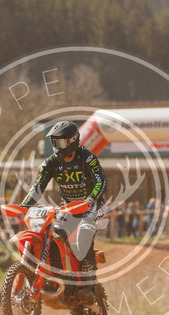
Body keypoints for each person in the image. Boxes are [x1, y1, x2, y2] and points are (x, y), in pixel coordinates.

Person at [20, 121, 106, 305]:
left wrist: (91, 198)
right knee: (56, 231)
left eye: (60, 142)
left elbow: (101, 181)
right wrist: (25, 205)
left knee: (84, 233)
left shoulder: (87, 158)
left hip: (92, 206)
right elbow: (38, 186)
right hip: (68, 206)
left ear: (72, 140)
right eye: (54, 142)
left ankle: (89, 286)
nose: (56, 146)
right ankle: (63, 273)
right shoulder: (51, 162)